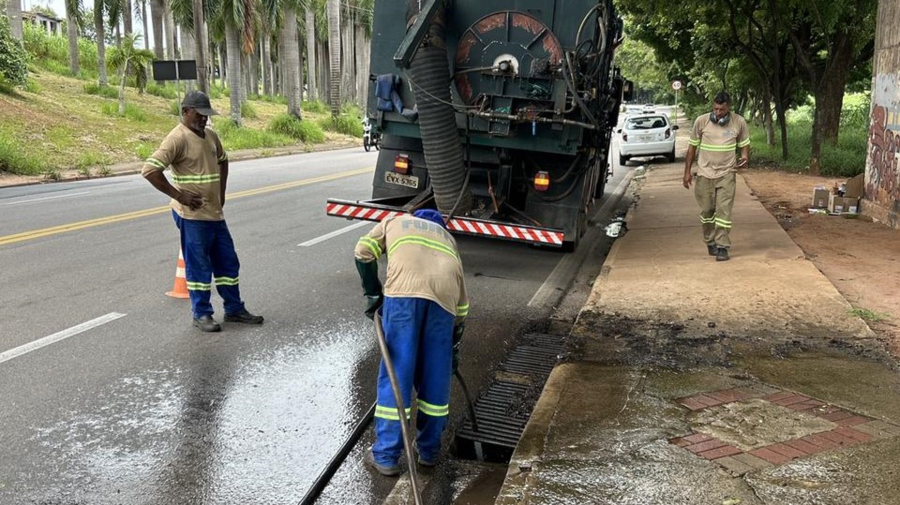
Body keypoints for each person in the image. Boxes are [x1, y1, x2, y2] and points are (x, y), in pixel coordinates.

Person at [354, 209, 469, 476]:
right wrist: (453, 349)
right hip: (444, 305)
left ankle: (386, 455)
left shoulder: (396, 220)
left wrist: (373, 294)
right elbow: (462, 308)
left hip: (404, 295)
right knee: (435, 379)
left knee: (398, 372)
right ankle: (428, 452)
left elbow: (363, 251)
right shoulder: (449, 240)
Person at [142, 90, 263, 332]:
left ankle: (234, 309)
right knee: (199, 266)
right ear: (185, 112)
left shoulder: (210, 136)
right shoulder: (177, 138)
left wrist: (221, 193)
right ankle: (201, 314)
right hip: (193, 216)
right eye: (199, 114)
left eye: (207, 115)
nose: (204, 119)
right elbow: (149, 170)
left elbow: (223, 160)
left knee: (228, 263)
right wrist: (179, 195)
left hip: (215, 214)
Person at [683, 91, 750, 262]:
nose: (718, 113)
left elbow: (744, 144)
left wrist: (744, 157)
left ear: (729, 108)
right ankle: (709, 240)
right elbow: (692, 148)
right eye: (715, 109)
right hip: (705, 174)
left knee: (723, 211)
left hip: (727, 173)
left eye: (722, 110)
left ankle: (722, 246)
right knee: (707, 210)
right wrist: (687, 172)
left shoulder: (739, 122)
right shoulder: (702, 121)